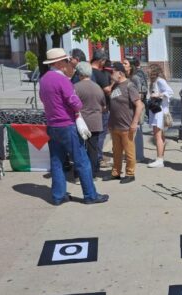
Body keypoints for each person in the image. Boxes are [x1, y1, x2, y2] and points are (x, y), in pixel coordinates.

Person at [39, 48, 109, 205]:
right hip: (66, 123)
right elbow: (75, 103)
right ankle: (90, 195)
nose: (67, 63)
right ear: (57, 63)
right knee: (82, 161)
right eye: (65, 61)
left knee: (57, 161)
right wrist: (77, 105)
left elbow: (43, 99)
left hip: (52, 124)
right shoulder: (62, 80)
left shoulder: (44, 79)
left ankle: (58, 196)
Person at [105, 61, 144, 183]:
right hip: (114, 125)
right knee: (116, 152)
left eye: (112, 72)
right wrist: (112, 84)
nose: (110, 74)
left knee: (129, 152)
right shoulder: (115, 85)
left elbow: (139, 105)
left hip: (127, 126)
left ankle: (130, 174)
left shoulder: (129, 86)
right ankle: (116, 173)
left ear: (120, 73)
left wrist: (134, 122)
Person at [73, 62, 107, 178]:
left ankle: (79, 174)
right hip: (95, 122)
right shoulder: (97, 87)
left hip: (80, 122)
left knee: (79, 149)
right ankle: (92, 174)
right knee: (93, 150)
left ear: (80, 73)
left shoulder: (76, 87)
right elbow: (103, 106)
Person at [147, 64, 174, 168]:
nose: (148, 71)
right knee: (160, 136)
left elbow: (170, 92)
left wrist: (158, 95)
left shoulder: (159, 80)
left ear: (154, 71)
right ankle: (160, 157)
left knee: (157, 135)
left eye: (149, 69)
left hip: (159, 111)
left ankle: (159, 159)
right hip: (157, 111)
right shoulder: (155, 81)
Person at [91, 51, 112, 168]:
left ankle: (96, 156)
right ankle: (98, 158)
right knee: (101, 134)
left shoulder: (87, 72)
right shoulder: (99, 74)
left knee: (94, 135)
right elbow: (107, 90)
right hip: (102, 108)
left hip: (90, 108)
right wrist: (114, 82)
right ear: (101, 61)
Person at [128, 58, 148, 163]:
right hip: (133, 107)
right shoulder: (132, 76)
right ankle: (134, 154)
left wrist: (137, 104)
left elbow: (141, 92)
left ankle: (139, 155)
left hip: (136, 107)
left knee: (138, 131)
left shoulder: (136, 76)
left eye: (125, 63)